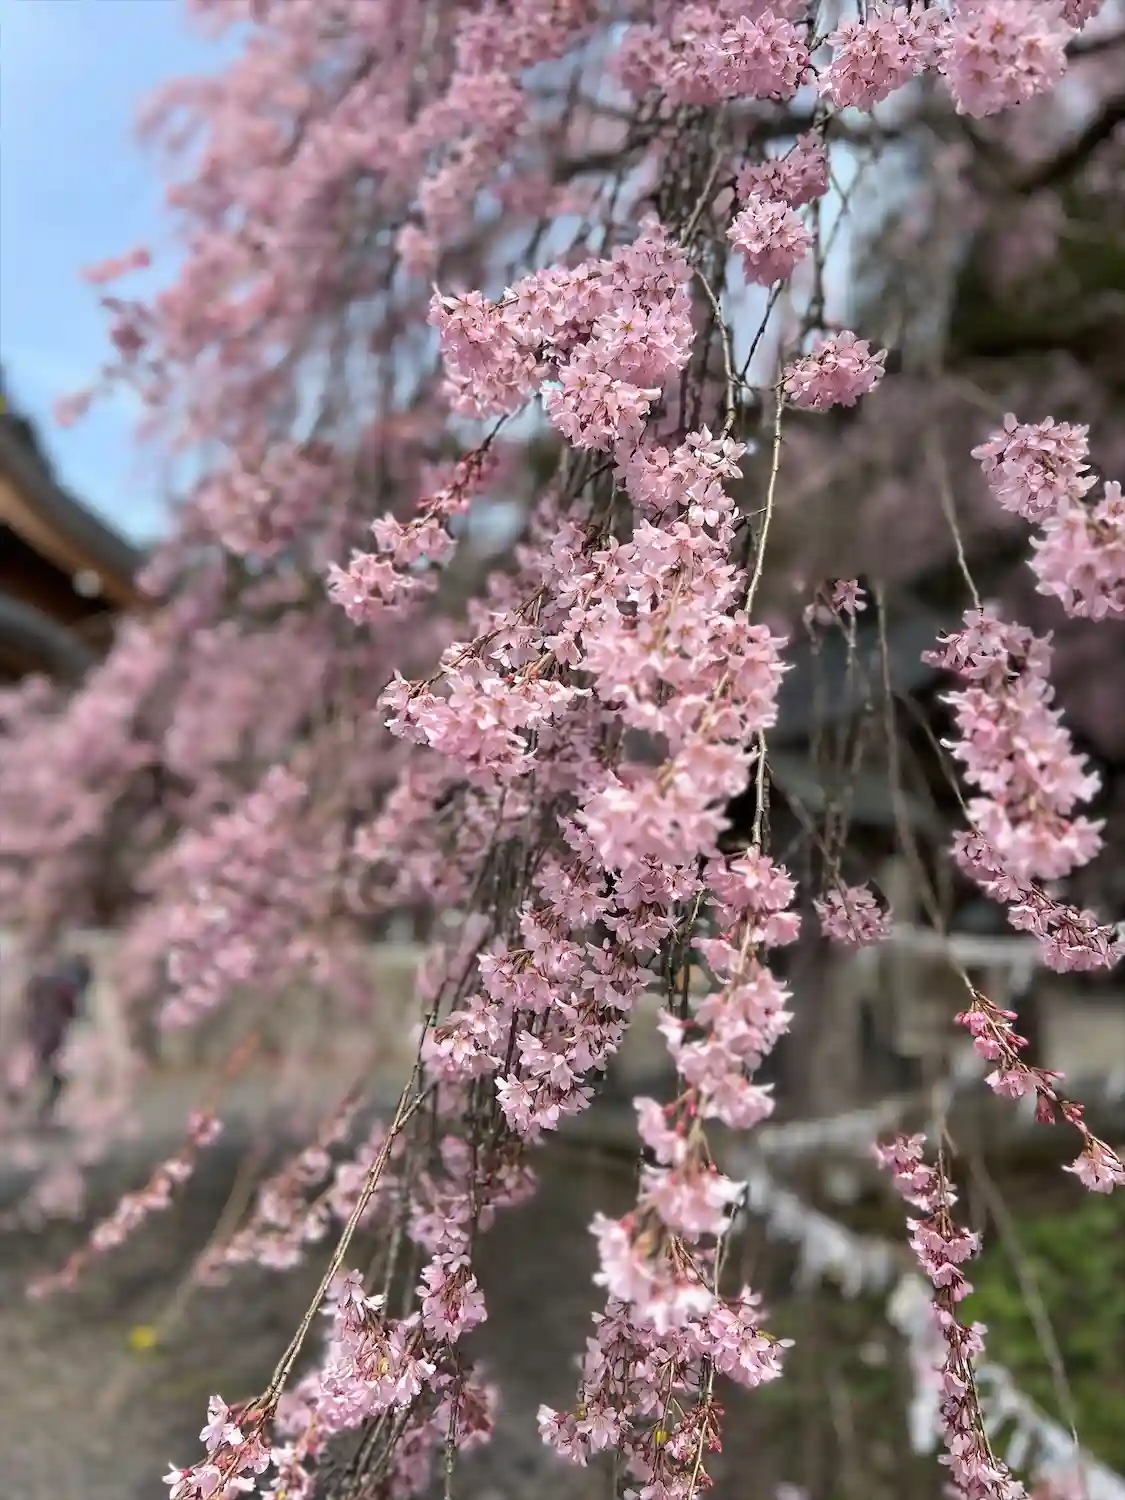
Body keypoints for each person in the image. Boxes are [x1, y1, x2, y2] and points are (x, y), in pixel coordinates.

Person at [23, 954, 92, 1121]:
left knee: (48, 1076)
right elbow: (77, 1011)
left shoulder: (44, 982)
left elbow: (30, 995)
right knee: (51, 1078)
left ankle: (38, 1114)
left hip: (40, 1032)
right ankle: (38, 1114)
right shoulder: (66, 987)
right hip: (50, 1036)